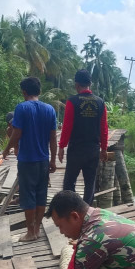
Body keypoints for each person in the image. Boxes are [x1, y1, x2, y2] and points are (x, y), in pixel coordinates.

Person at [2, 77, 57, 242]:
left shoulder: (21, 108)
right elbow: (53, 139)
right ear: (39, 91)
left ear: (24, 92)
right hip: (43, 160)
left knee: (28, 196)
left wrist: (6, 150)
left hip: (27, 160)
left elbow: (16, 134)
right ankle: (37, 229)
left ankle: (30, 232)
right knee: (41, 195)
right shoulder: (50, 109)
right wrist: (53, 160)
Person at [58, 69, 108, 205]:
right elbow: (104, 128)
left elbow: (67, 127)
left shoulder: (72, 101)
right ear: (90, 84)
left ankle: (70, 209)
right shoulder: (100, 102)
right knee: (90, 182)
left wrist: (61, 147)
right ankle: (86, 211)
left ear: (76, 84)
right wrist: (103, 149)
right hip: (93, 149)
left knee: (69, 182)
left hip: (76, 149)